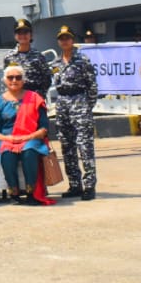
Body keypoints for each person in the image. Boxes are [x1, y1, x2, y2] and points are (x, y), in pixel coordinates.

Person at [0, 65, 53, 205]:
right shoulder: (0, 101)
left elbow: (43, 128)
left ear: (23, 80)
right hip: (7, 139)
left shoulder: (34, 98)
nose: (14, 80)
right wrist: (8, 138)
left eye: (18, 77)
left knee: (29, 151)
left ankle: (31, 193)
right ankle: (14, 192)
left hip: (31, 138)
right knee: (7, 154)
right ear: (5, 80)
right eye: (10, 77)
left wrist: (28, 137)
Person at [50, 25, 98, 201]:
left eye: (67, 38)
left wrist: (86, 106)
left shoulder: (82, 60)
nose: (65, 41)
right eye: (61, 38)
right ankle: (75, 184)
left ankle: (89, 186)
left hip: (79, 102)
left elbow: (92, 86)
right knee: (67, 146)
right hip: (62, 104)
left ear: (72, 40)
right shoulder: (56, 63)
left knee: (85, 146)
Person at [3, 19, 51, 98]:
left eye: (25, 32)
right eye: (19, 33)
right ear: (15, 36)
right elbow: (7, 78)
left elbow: (47, 79)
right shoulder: (8, 57)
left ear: (31, 35)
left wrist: (39, 96)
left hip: (34, 98)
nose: (22, 35)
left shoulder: (39, 57)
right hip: (15, 98)